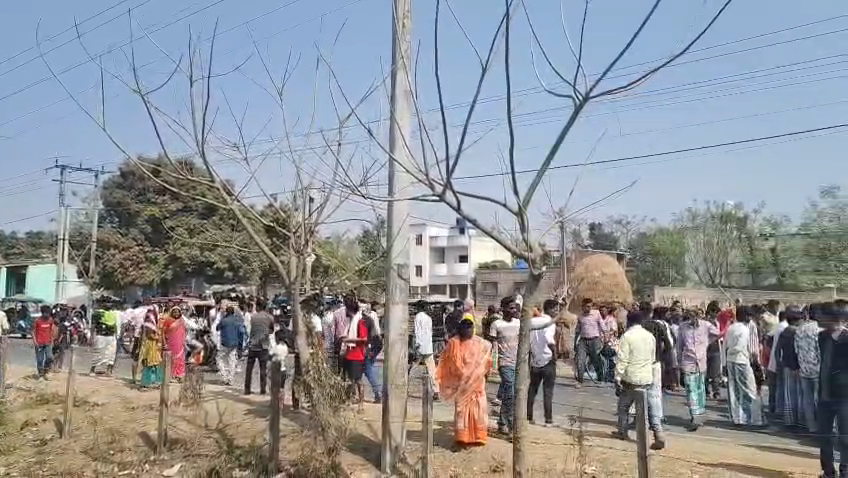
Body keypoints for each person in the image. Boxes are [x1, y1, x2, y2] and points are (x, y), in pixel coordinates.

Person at [436, 315, 493, 447]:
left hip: (477, 384)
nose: (469, 330)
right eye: (466, 328)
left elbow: (487, 359)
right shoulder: (454, 343)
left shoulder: (480, 343)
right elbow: (448, 362)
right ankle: (462, 437)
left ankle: (478, 436)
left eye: (471, 327)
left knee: (478, 409)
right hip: (461, 384)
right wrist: (462, 374)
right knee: (462, 411)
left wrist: (483, 372)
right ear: (460, 329)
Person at [613, 311, 665, 450]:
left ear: (629, 321)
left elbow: (622, 359)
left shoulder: (627, 336)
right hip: (647, 378)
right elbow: (652, 358)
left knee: (623, 406)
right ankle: (659, 434)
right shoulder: (649, 336)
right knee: (650, 407)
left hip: (631, 378)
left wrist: (617, 377)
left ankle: (622, 431)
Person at [817, 301, 848, 478]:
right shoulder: (822, 337)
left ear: (833, 318)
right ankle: (828, 471)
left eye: (822, 315)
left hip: (844, 396)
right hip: (824, 394)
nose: (818, 318)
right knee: (824, 436)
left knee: (845, 437)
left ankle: (845, 471)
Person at [677, 309, 720, 431]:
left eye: (694, 317)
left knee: (700, 389)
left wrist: (707, 342)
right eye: (690, 318)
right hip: (688, 361)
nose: (692, 320)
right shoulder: (683, 327)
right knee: (691, 389)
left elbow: (718, 333)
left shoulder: (706, 325)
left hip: (701, 362)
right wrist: (679, 362)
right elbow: (679, 346)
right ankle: (695, 415)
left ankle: (699, 415)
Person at [724, 305, 764, 426]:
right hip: (741, 360)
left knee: (734, 390)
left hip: (730, 361)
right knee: (749, 389)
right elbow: (742, 346)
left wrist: (726, 359)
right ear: (744, 316)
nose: (750, 318)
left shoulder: (731, 328)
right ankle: (752, 418)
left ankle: (737, 418)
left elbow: (725, 345)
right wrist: (754, 360)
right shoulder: (744, 329)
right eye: (748, 315)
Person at [489, 296, 520, 435]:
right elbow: (493, 345)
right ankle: (511, 426)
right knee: (510, 393)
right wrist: (493, 364)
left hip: (517, 364)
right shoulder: (496, 325)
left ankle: (502, 422)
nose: (514, 310)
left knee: (509, 394)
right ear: (503, 309)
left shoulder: (518, 323)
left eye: (515, 308)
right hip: (504, 363)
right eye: (511, 308)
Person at [528, 299, 558, 427]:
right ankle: (548, 420)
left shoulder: (532, 321)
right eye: (555, 309)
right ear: (549, 309)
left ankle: (528, 417)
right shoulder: (549, 322)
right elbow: (549, 339)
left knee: (532, 390)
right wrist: (555, 354)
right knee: (548, 391)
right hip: (547, 360)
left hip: (535, 360)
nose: (556, 312)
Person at [777, 305, 805, 428]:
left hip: (787, 365)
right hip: (798, 365)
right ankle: (800, 419)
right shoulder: (799, 332)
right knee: (800, 394)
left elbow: (777, 350)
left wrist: (780, 362)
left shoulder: (784, 332)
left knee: (788, 394)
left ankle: (789, 420)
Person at [796, 302, 822, 433]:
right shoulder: (820, 331)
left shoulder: (800, 329)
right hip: (818, 370)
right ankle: (822, 425)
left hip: (804, 369)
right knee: (820, 399)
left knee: (807, 399)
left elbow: (796, 350)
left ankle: (811, 426)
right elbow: (821, 351)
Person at [340, 300, 369, 407]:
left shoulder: (360, 321)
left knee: (358, 380)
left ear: (349, 309)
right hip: (349, 353)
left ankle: (361, 404)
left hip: (357, 355)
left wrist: (349, 340)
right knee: (349, 379)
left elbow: (364, 338)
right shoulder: (351, 322)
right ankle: (349, 400)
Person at [243, 301, 274, 395]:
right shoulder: (270, 317)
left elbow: (250, 329)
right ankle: (262, 389)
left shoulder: (253, 317)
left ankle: (247, 389)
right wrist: (266, 332)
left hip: (253, 345)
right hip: (263, 346)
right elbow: (272, 330)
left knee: (249, 369)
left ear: (259, 307)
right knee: (263, 369)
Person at [575, 298, 605, 385]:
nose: (589, 308)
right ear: (583, 306)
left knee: (595, 360)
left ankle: (600, 379)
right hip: (583, 341)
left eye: (590, 306)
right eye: (587, 306)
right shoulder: (580, 316)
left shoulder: (596, 314)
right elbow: (578, 330)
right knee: (580, 360)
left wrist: (605, 337)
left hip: (594, 340)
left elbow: (602, 325)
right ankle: (580, 381)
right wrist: (575, 343)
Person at [414, 300, 439, 400]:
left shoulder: (418, 317)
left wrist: (417, 344)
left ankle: (404, 385)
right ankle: (436, 390)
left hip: (420, 346)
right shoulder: (428, 318)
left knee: (413, 367)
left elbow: (418, 331)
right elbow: (429, 332)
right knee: (432, 369)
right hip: (428, 346)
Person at [216, 304, 245, 386]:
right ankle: (230, 379)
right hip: (234, 343)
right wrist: (240, 346)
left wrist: (223, 318)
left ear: (226, 312)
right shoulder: (237, 321)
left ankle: (225, 377)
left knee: (219, 359)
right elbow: (241, 332)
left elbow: (217, 328)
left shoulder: (224, 320)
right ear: (233, 312)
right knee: (232, 360)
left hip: (224, 343)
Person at [90, 307, 119, 376]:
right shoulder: (98, 313)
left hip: (111, 336)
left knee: (111, 354)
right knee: (98, 353)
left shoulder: (114, 313)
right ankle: (92, 370)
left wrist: (116, 335)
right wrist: (91, 336)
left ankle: (108, 371)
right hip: (101, 335)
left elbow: (115, 325)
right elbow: (93, 326)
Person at [160, 307, 187, 382]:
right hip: (171, 343)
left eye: (177, 312)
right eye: (174, 312)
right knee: (171, 360)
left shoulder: (182, 320)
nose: (176, 313)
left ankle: (179, 375)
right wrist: (164, 343)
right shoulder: (168, 320)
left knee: (180, 359)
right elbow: (163, 332)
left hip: (180, 344)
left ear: (180, 313)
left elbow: (184, 331)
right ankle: (171, 375)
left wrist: (184, 341)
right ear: (171, 313)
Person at [139, 309, 163, 389]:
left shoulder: (153, 323)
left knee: (155, 363)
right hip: (150, 345)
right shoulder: (149, 324)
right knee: (150, 363)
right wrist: (158, 337)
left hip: (153, 345)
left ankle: (153, 382)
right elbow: (150, 335)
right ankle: (147, 382)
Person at [705, 301, 724, 400]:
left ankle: (716, 391)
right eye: (715, 312)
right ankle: (706, 391)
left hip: (716, 349)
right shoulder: (704, 322)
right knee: (705, 372)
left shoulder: (717, 322)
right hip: (706, 349)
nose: (717, 314)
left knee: (716, 372)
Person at [32, 306, 56, 380]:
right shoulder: (37, 321)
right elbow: (32, 331)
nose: (48, 315)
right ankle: (40, 374)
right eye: (47, 313)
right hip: (39, 343)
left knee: (50, 357)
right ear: (43, 313)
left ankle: (46, 371)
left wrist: (52, 340)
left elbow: (52, 330)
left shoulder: (50, 320)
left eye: (49, 313)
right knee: (40, 359)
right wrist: (35, 342)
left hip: (48, 343)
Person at [270, 328, 290, 407]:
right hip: (283, 370)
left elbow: (270, 355)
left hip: (276, 370)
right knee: (281, 387)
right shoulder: (286, 347)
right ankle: (281, 403)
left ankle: (274, 402)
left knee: (274, 388)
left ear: (277, 338)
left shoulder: (276, 347)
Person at [601, 304, 620, 383]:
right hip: (603, 341)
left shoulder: (610, 320)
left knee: (610, 359)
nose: (602, 312)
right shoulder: (601, 320)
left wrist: (607, 336)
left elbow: (613, 331)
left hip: (609, 342)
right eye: (601, 311)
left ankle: (609, 376)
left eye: (603, 310)